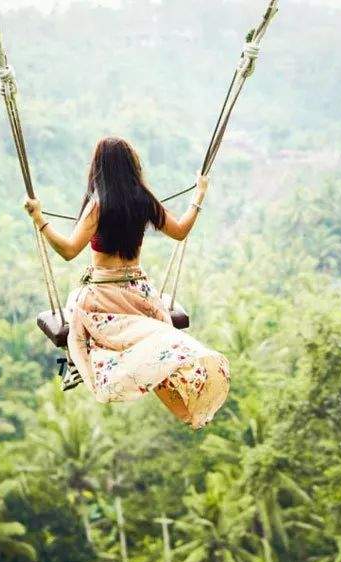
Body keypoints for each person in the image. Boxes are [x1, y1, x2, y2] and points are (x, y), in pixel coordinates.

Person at [23, 136, 230, 430]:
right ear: (132, 167)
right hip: (141, 296)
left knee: (83, 333)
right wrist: (199, 195)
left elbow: (69, 251)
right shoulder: (143, 200)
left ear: (98, 170)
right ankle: (187, 412)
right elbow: (180, 231)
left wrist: (40, 220)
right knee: (159, 348)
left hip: (103, 298)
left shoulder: (97, 206)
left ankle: (74, 365)